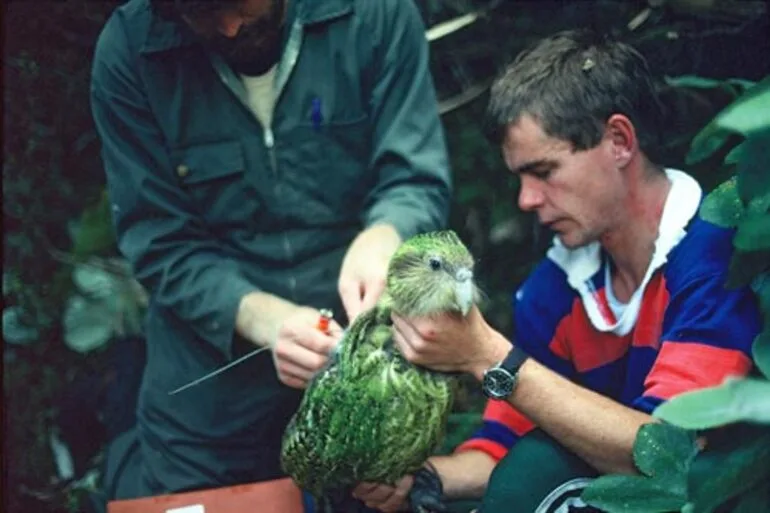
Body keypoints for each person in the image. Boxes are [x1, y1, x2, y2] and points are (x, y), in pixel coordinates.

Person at [353, 28, 760, 513]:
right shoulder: (553, 289)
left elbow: (669, 457)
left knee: (537, 472)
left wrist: (489, 356)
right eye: (519, 178)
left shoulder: (717, 254)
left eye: (543, 172)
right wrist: (419, 477)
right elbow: (500, 447)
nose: (526, 200)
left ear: (619, 141)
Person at [89, 0, 452, 503]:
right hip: (208, 400)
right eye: (197, 15)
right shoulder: (131, 51)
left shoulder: (375, 15)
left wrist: (385, 236)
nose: (230, 26)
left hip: (365, 376)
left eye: (237, 5)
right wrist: (263, 320)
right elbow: (159, 239)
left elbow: (415, 177)